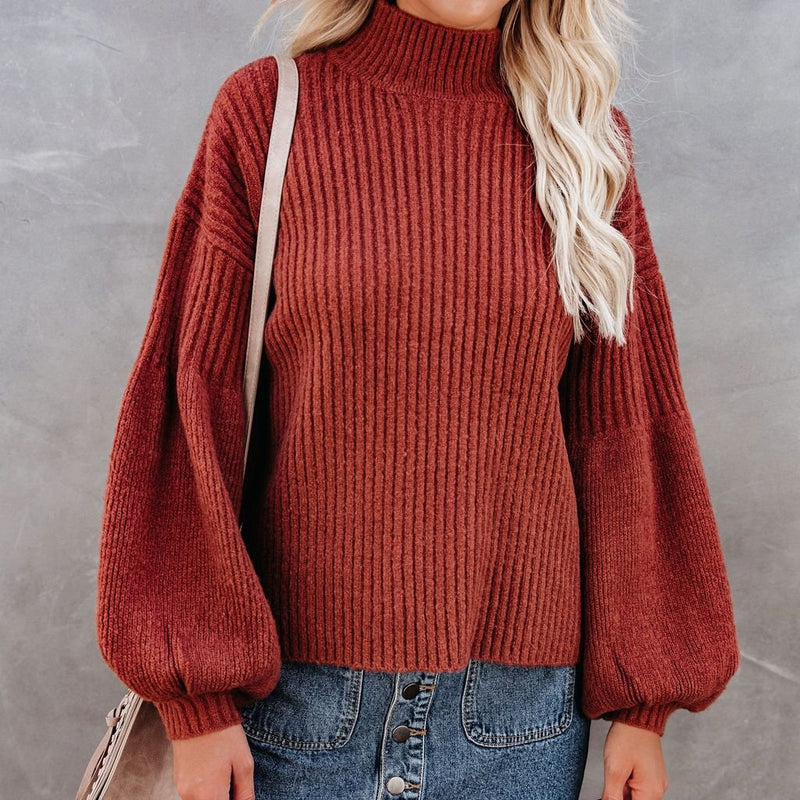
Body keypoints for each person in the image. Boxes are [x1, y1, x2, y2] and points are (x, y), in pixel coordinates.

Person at [94, 1, 741, 798]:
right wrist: (195, 701)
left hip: (517, 726)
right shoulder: (269, 112)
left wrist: (645, 704)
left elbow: (625, 430)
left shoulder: (585, 140)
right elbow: (193, 400)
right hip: (294, 716)